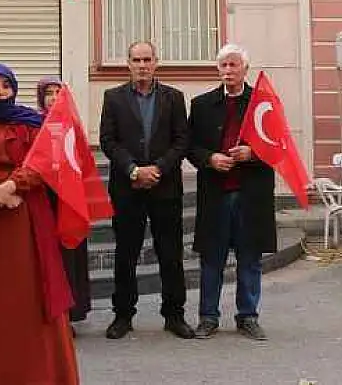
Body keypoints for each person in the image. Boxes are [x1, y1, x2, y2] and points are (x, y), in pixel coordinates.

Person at [0, 64, 79, 385]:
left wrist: (11, 187)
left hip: (26, 218)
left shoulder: (32, 122)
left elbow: (44, 160)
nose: (0, 92)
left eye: (5, 85)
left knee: (30, 294)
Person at [98, 42, 193, 340]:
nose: (142, 65)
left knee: (170, 253)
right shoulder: (112, 97)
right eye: (136, 59)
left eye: (147, 59)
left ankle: (174, 315)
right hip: (128, 187)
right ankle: (123, 315)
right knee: (126, 254)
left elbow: (182, 140)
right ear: (128, 63)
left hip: (165, 187)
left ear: (156, 62)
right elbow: (107, 141)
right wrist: (134, 170)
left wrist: (159, 169)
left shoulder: (174, 98)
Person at [187, 43, 277, 341]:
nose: (228, 70)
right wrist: (210, 158)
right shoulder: (201, 104)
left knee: (249, 258)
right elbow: (189, 146)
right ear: (217, 69)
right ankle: (208, 317)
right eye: (223, 65)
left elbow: (279, 148)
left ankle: (248, 316)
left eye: (233, 65)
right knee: (212, 258)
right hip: (215, 193)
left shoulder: (264, 103)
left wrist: (252, 154)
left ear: (245, 69)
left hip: (250, 195)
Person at [36, 76, 92, 330]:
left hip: (67, 200)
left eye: (59, 92)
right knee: (44, 258)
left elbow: (83, 162)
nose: (53, 97)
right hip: (41, 199)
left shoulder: (72, 126)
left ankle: (69, 314)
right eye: (48, 92)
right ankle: (45, 313)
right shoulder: (31, 124)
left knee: (68, 257)